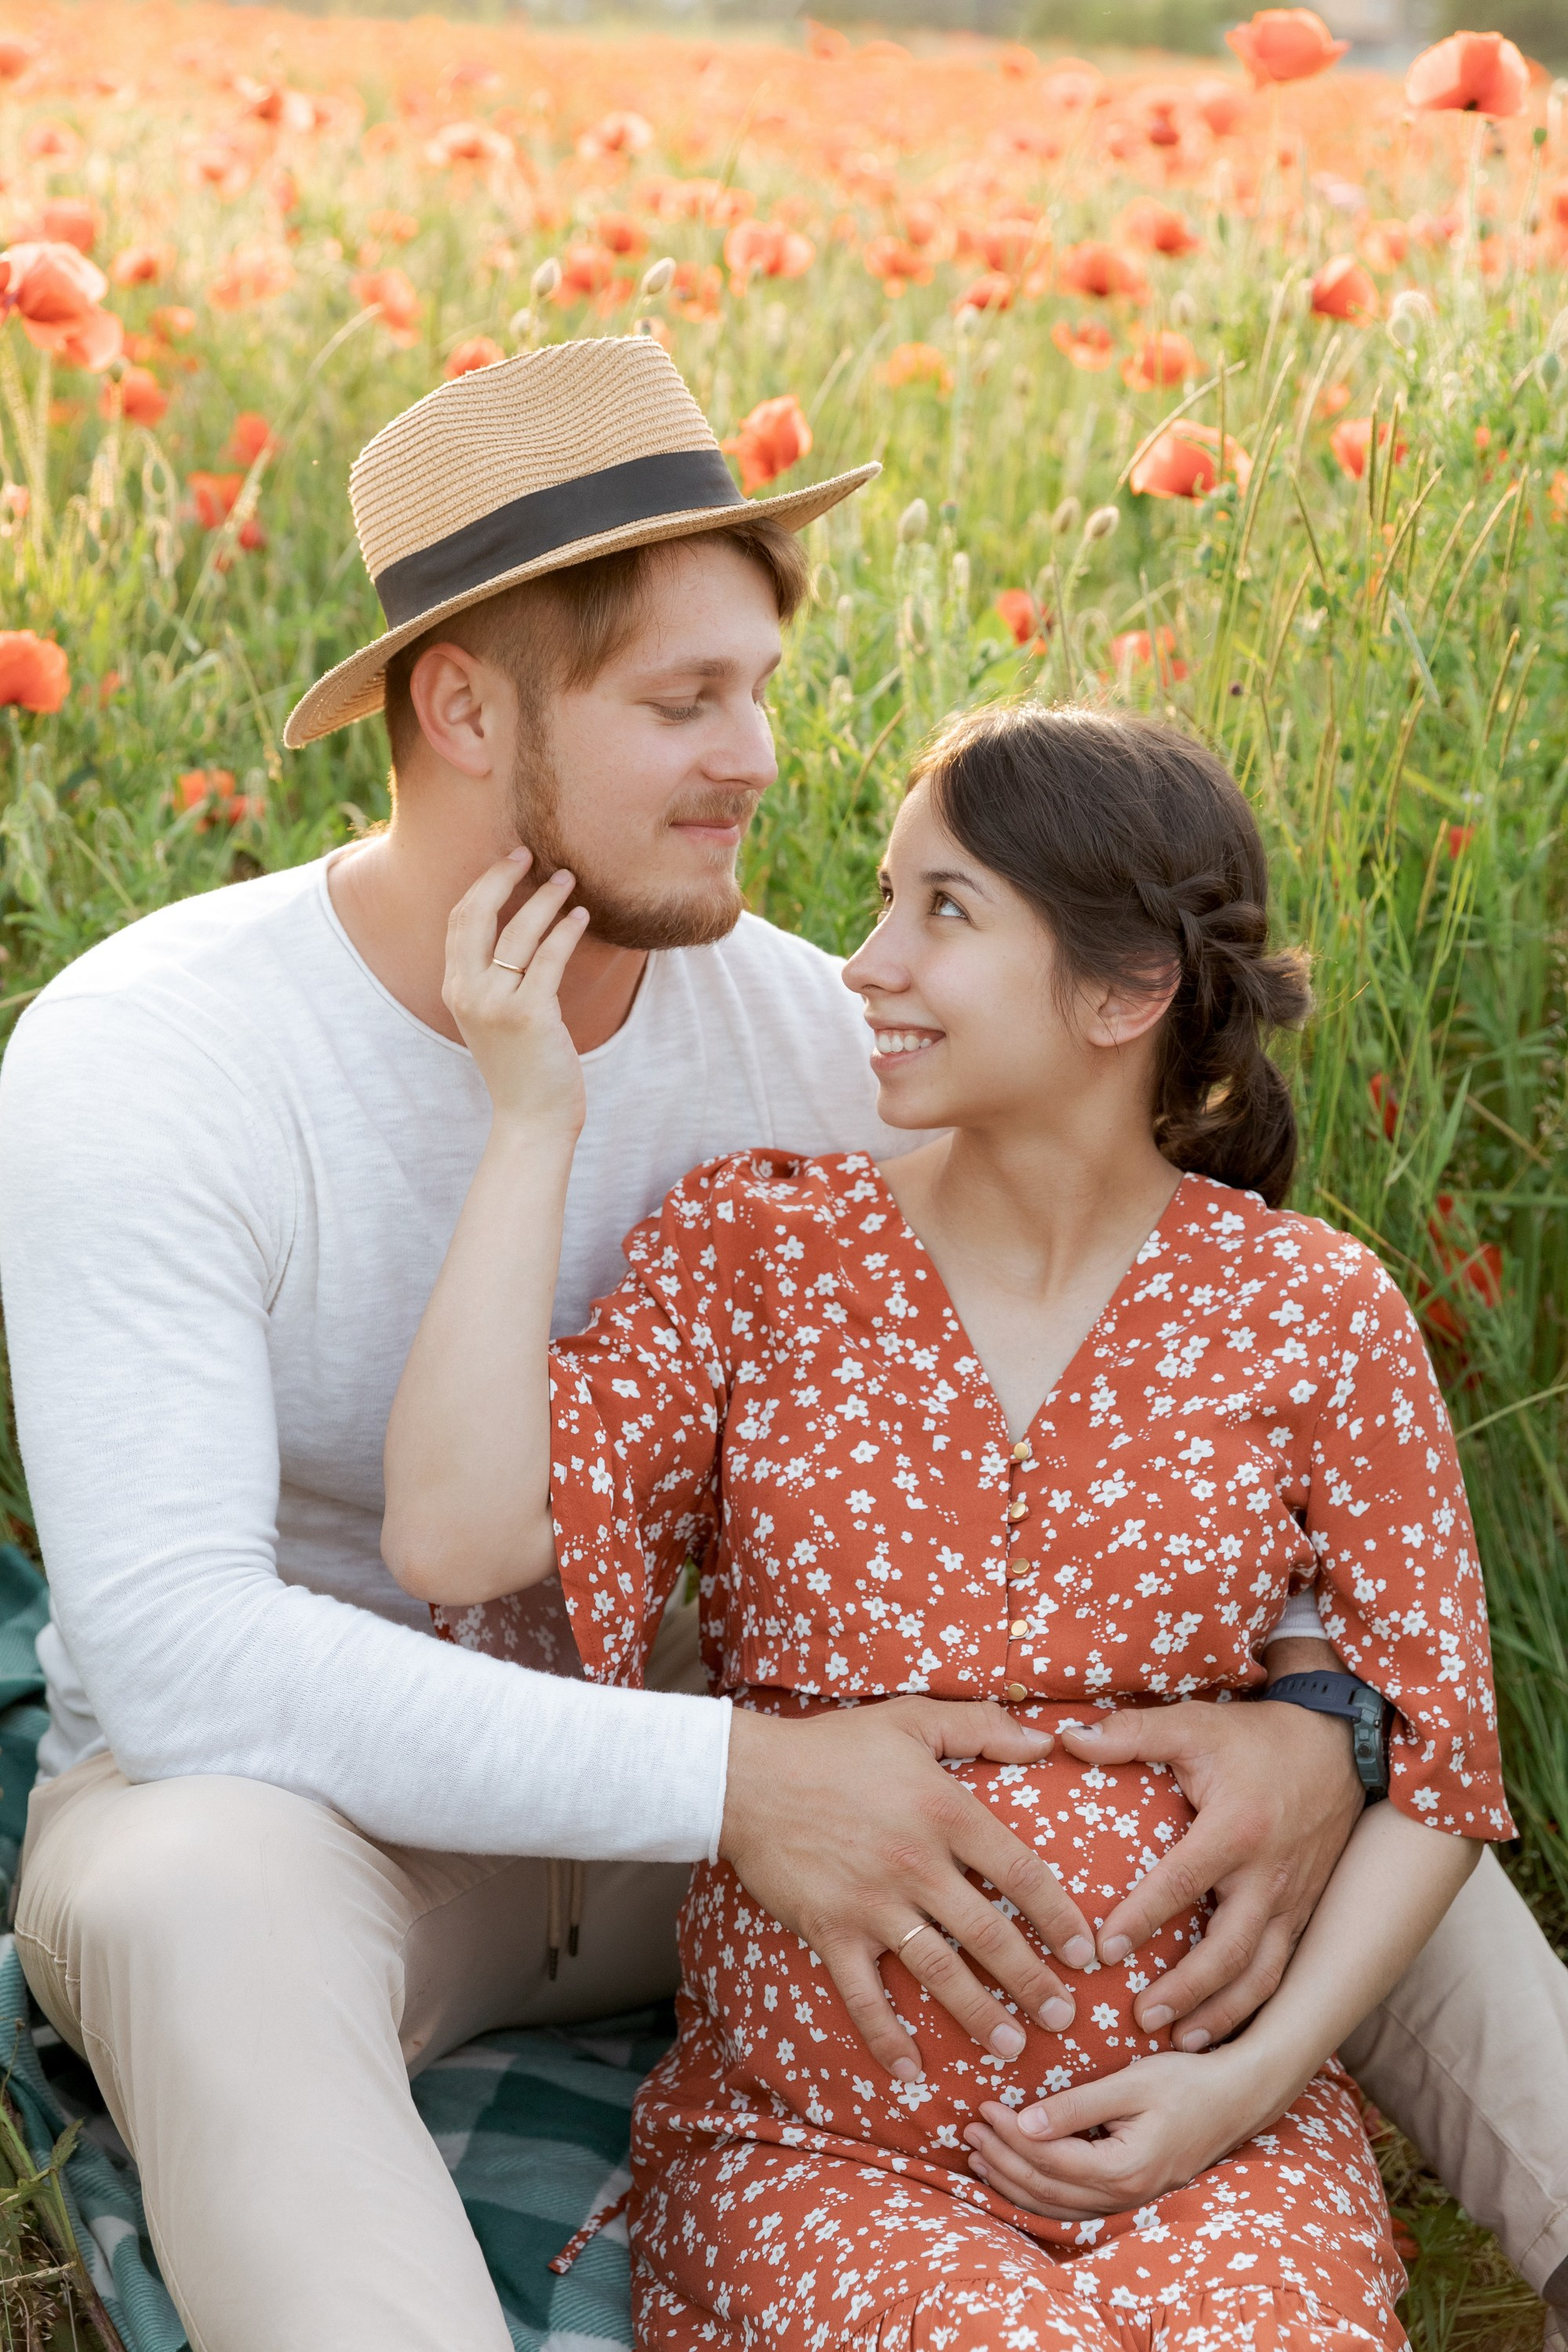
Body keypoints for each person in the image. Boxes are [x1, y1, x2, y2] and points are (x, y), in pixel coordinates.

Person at [0, 338, 1560, 2352]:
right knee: (186, 1890)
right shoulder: (155, 1057)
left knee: (1322, 1805)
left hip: (764, 1816)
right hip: (366, 1833)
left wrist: (1311, 1727)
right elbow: (179, 1662)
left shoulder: (815, 1034)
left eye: (759, 687)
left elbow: (1119, 1373)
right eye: (682, 701)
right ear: (465, 707)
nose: (755, 758)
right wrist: (737, 1777)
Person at [383, 702, 1512, 2349]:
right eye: (882, 901)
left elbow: (1434, 1760)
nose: (863, 962)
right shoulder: (758, 1251)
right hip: (826, 2150)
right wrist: (531, 1119)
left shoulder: (1312, 1309)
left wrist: (1245, 2090)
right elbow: (459, 1540)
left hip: (1211, 2145)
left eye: (943, 911)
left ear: (1123, 992)